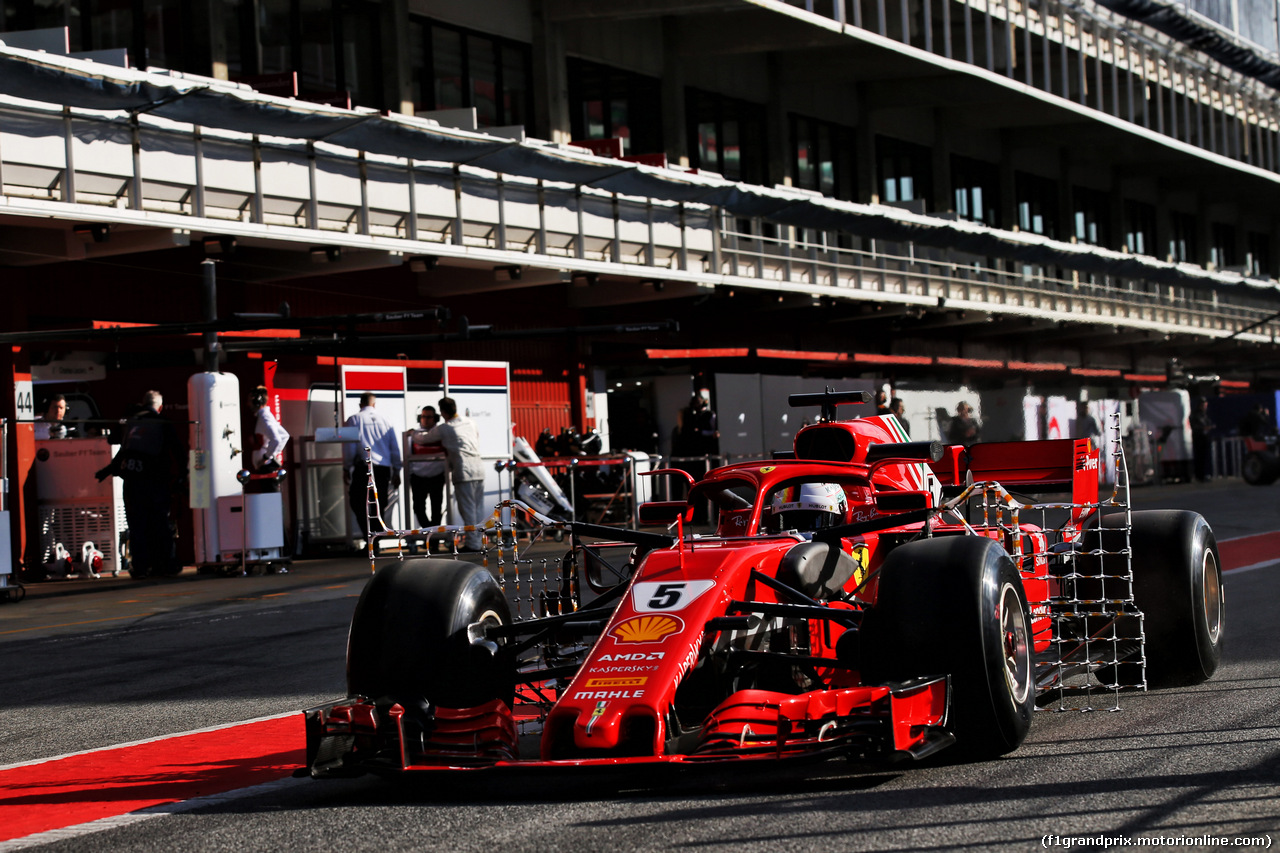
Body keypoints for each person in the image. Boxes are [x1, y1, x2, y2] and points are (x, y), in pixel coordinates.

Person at [95, 390, 183, 578]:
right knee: (160, 523)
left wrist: (107, 470)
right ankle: (167, 564)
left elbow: (115, 441)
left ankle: (141, 567)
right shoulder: (162, 423)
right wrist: (183, 476)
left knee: (137, 526)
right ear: (159, 407)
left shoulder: (129, 421)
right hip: (155, 481)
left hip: (132, 482)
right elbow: (177, 450)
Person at [419, 397, 485, 551]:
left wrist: (412, 433)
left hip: (464, 469)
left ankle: (473, 544)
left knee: (467, 509)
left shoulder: (445, 428)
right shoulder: (470, 422)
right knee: (478, 509)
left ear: (442, 412)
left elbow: (423, 439)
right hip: (478, 467)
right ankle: (480, 541)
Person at [343, 392, 402, 543]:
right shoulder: (385, 420)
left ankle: (370, 539)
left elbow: (349, 447)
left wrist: (346, 467)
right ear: (374, 404)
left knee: (358, 503)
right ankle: (375, 538)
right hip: (383, 469)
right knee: (378, 504)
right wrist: (397, 470)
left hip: (364, 468)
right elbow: (394, 447)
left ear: (360, 404)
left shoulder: (354, 419)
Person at [408, 405, 447, 529]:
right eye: (423, 416)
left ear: (435, 418)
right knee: (418, 507)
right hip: (418, 476)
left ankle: (434, 536)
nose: (425, 419)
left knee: (436, 508)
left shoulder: (440, 434)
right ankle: (428, 531)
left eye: (429, 417)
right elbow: (409, 455)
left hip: (436, 475)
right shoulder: (413, 435)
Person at [249, 386, 290, 472]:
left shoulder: (265, 417)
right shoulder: (264, 416)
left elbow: (277, 439)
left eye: (250, 401)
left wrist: (267, 457)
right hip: (265, 466)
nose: (248, 404)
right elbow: (284, 435)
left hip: (265, 467)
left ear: (257, 401)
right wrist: (272, 454)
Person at [1190, 397, 1215, 482]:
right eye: (1204, 405)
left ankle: (1203, 474)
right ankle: (1200, 475)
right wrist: (1204, 428)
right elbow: (1195, 426)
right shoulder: (1196, 415)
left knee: (1203, 457)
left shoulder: (1204, 415)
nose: (1205, 407)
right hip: (1199, 439)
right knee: (1200, 457)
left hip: (1204, 438)